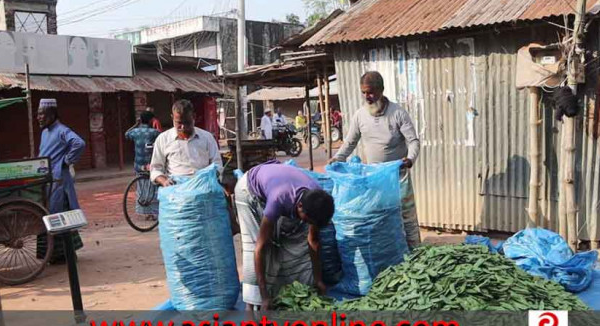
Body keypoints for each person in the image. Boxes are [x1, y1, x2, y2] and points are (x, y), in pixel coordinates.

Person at [328, 71, 421, 248]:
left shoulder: (398, 113)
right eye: (363, 92)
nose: (367, 97)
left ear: (381, 90)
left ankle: (414, 252)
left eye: (370, 92)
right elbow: (350, 142)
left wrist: (410, 159)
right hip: (374, 179)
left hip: (398, 177)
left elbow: (413, 141)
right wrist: (337, 158)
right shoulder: (360, 115)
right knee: (381, 217)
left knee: (406, 218)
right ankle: (389, 253)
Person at [235, 161, 335, 311]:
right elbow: (259, 249)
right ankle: (252, 305)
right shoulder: (278, 200)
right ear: (300, 206)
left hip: (276, 183)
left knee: (292, 245)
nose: (305, 222)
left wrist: (318, 280)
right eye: (306, 220)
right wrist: (264, 296)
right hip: (248, 190)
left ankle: (285, 294)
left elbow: (313, 241)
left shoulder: (317, 200)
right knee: (257, 245)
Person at [36, 98, 86, 264]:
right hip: (47, 180)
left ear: (51, 114)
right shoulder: (45, 132)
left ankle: (65, 255)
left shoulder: (62, 130)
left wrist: (66, 161)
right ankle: (54, 254)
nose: (39, 117)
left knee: (60, 216)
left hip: (59, 182)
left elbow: (79, 143)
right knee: (48, 214)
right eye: (38, 114)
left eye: (42, 114)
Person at [150, 99, 223, 187]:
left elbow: (217, 165)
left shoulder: (207, 138)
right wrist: (164, 181)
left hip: (204, 191)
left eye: (187, 122)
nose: (183, 127)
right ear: (172, 118)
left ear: (194, 117)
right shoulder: (163, 139)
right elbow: (155, 169)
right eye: (179, 123)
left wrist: (206, 178)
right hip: (176, 193)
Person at [126, 111, 161, 217]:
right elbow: (162, 139)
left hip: (138, 166)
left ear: (140, 120)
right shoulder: (153, 132)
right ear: (151, 120)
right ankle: (154, 213)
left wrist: (136, 124)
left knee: (141, 188)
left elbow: (126, 134)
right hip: (150, 166)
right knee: (154, 187)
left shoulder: (135, 132)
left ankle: (145, 212)